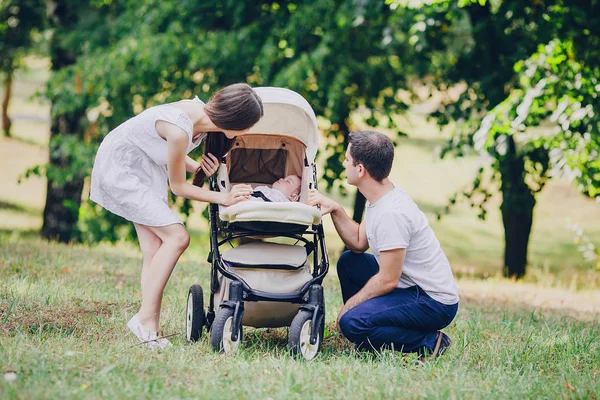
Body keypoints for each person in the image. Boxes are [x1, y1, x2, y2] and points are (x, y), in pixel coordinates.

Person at [90, 83, 263, 348]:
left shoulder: (201, 118)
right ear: (233, 120)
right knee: (177, 237)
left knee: (155, 248)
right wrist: (224, 198)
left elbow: (171, 156)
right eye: (247, 125)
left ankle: (149, 328)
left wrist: (204, 168)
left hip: (146, 166)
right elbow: (179, 187)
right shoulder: (181, 128)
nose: (248, 131)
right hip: (122, 167)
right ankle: (145, 322)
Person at [308, 130, 459, 359]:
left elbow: (388, 280)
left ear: (360, 170)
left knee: (352, 323)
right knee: (350, 261)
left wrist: (349, 307)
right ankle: (370, 337)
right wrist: (336, 209)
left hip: (432, 301)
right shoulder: (380, 195)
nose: (343, 163)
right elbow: (359, 243)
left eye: (347, 159)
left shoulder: (392, 214)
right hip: (409, 286)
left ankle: (430, 341)